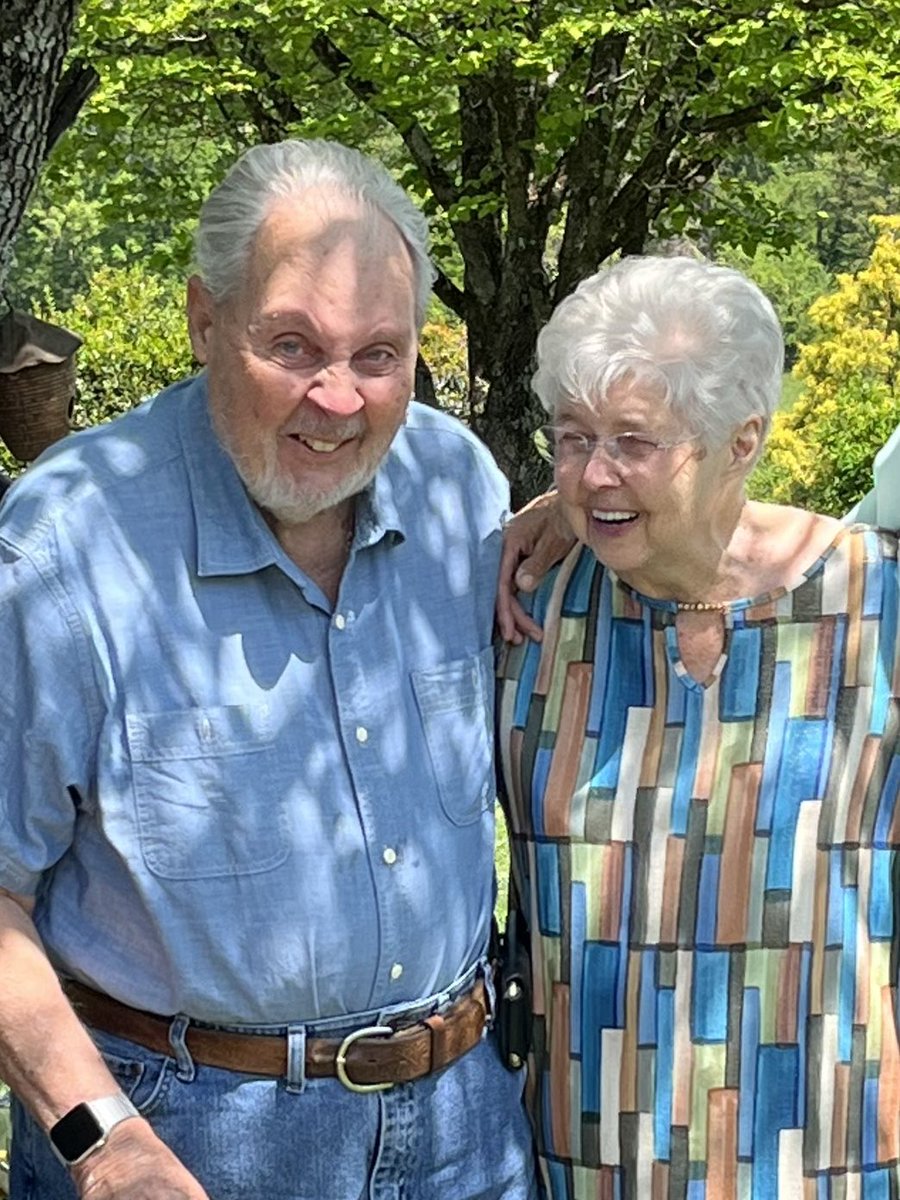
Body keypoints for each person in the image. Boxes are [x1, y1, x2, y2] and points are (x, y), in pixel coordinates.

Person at [0, 139, 538, 1200]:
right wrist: (101, 1142)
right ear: (205, 319)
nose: (338, 400)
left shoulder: (460, 491)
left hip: (467, 1123)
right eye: (292, 345)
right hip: (182, 1130)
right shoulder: (66, 549)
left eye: (380, 356)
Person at [496, 255, 900, 1199]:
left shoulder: (878, 607)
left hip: (836, 1155)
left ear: (741, 440)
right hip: (583, 1157)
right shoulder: (525, 613)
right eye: (571, 436)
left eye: (633, 441)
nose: (593, 473)